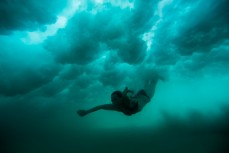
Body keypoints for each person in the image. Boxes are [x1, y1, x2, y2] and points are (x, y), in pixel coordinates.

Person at [77, 74, 164, 117]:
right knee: (146, 81)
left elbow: (130, 103)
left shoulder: (127, 101)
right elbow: (100, 107)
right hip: (140, 95)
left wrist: (124, 95)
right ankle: (149, 72)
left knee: (153, 81)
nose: (113, 102)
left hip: (146, 95)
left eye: (114, 99)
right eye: (112, 100)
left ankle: (155, 70)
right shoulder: (116, 106)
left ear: (120, 98)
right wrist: (86, 112)